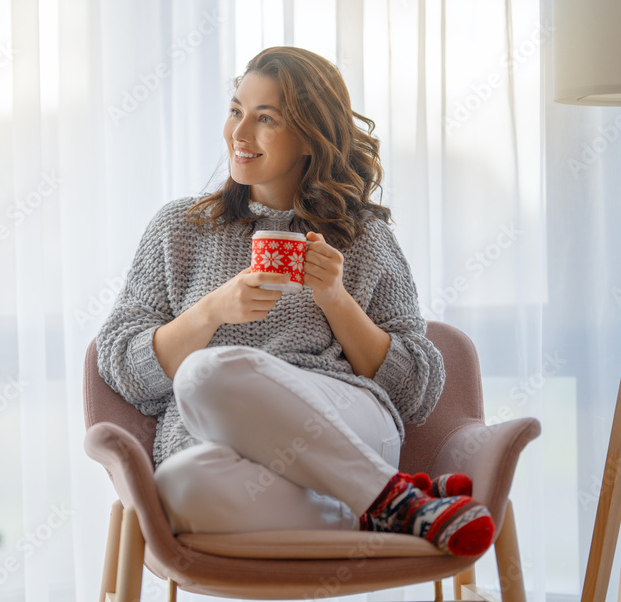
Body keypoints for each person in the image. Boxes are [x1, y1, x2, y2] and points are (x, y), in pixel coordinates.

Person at [95, 46, 494, 557]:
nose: (238, 134)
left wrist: (336, 300)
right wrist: (210, 311)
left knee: (206, 373)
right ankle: (398, 507)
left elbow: (417, 388)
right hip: (220, 451)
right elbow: (121, 365)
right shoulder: (180, 228)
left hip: (343, 419)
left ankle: (382, 496)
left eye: (265, 119)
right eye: (236, 110)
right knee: (178, 489)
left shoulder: (364, 236)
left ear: (310, 137)